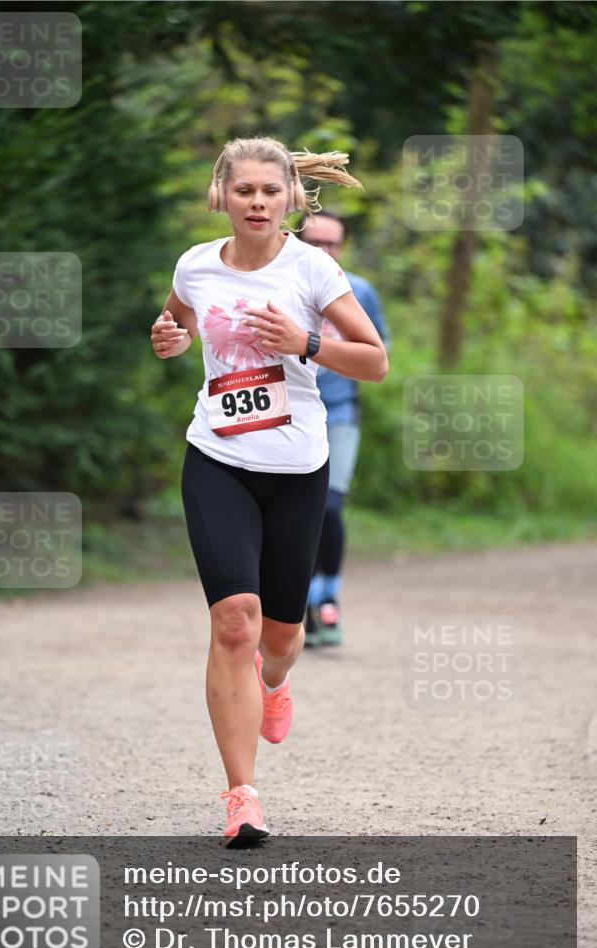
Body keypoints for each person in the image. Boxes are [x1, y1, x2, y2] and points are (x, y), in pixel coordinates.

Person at [150, 136, 388, 847]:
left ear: (291, 198)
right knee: (234, 622)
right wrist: (169, 338)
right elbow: (176, 321)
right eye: (244, 190)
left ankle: (276, 682)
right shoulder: (194, 264)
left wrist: (304, 343)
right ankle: (242, 798)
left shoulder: (312, 268)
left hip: (296, 466)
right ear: (220, 195)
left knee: (279, 637)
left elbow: (374, 361)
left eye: (269, 191)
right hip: (216, 457)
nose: (257, 202)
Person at [298, 210, 391, 647]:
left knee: (330, 507)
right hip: (287, 414)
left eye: (333, 244)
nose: (325, 251)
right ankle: (299, 605)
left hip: (338, 412)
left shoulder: (360, 291)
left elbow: (379, 350)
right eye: (316, 243)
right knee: (294, 512)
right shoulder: (280, 284)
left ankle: (327, 599)